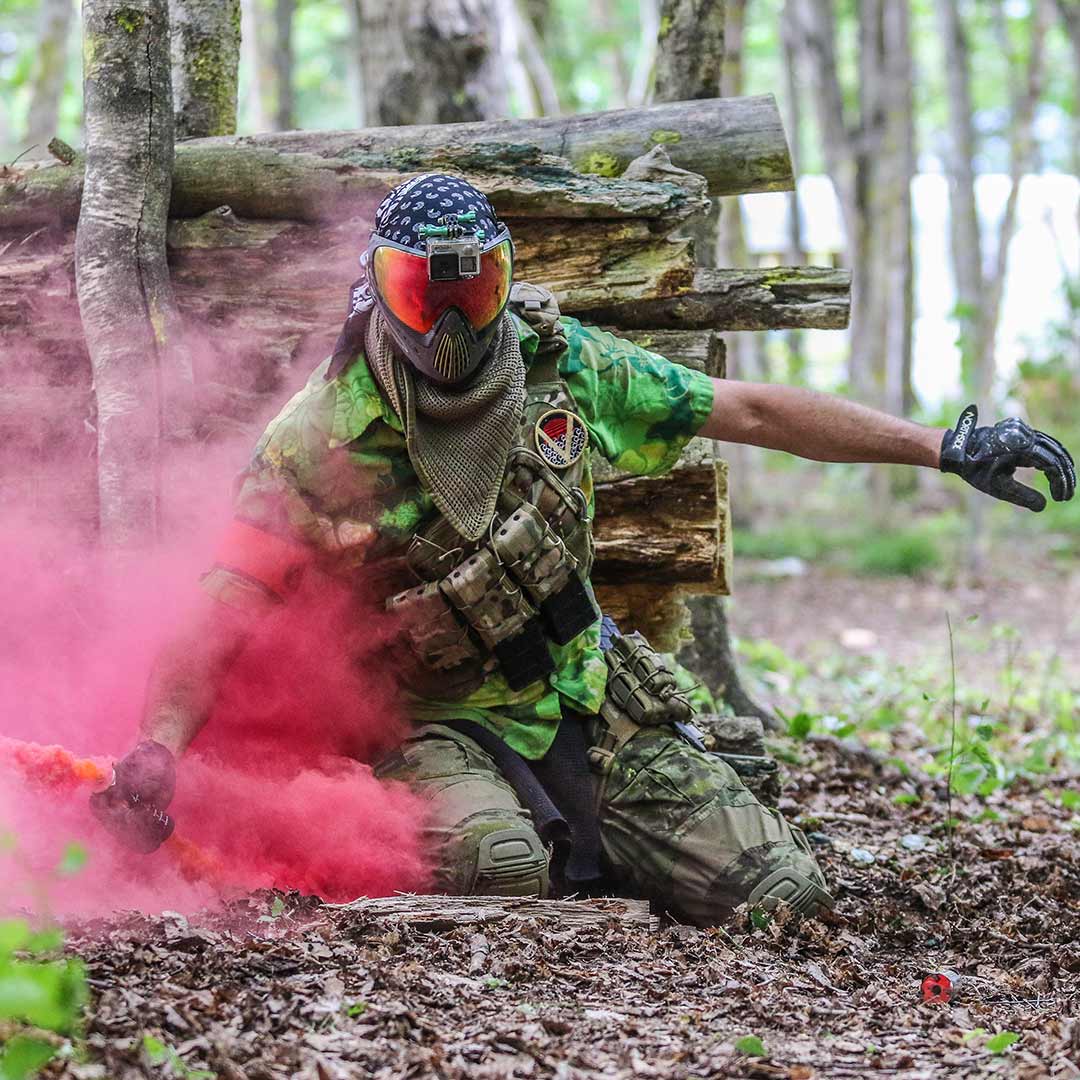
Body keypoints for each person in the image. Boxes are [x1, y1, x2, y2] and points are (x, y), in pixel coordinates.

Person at [91, 174, 1076, 924]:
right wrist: (154, 751)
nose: (446, 321)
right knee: (500, 877)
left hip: (587, 697)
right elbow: (221, 609)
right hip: (431, 722)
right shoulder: (319, 437)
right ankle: (537, 842)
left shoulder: (564, 366)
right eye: (421, 290)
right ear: (377, 289)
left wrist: (946, 447)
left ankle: (602, 834)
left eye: (473, 290)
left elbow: (759, 410)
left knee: (783, 892)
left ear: (505, 280)